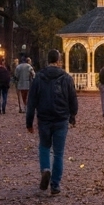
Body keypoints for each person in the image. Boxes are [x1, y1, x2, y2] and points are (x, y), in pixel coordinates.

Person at [26, 48, 78, 197]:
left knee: (44, 146)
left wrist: (29, 122)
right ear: (59, 60)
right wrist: (72, 115)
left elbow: (31, 102)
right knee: (59, 153)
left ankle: (45, 169)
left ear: (48, 60)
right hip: (61, 119)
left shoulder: (39, 77)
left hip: (44, 118)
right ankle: (55, 185)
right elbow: (72, 98)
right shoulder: (66, 78)